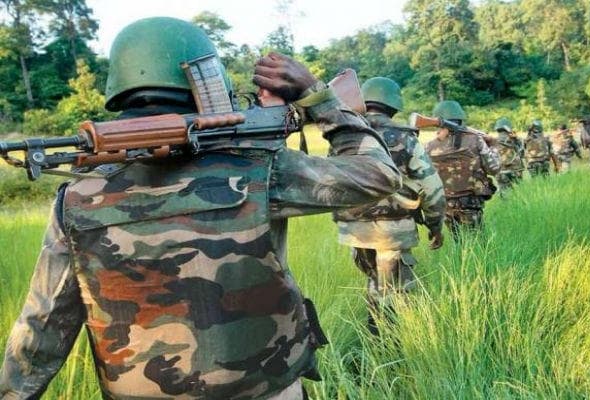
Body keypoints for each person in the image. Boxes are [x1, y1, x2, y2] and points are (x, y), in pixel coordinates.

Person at [0, 17, 401, 400]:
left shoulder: (77, 197)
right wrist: (320, 98)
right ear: (205, 84)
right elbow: (379, 175)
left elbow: (41, 328)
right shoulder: (261, 168)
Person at [333, 77, 446, 335]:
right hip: (392, 230)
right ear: (394, 105)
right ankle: (390, 347)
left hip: (355, 230)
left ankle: (378, 341)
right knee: (394, 293)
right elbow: (432, 188)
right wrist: (435, 226)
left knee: (376, 283)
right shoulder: (405, 138)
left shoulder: (346, 136)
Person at [425, 100, 500, 240]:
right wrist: (494, 146)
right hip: (471, 202)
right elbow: (494, 169)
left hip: (446, 203)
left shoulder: (429, 147)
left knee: (457, 241)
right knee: (478, 242)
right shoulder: (476, 140)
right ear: (460, 118)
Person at [493, 117, 525, 191]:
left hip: (501, 171)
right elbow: (522, 153)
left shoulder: (493, 141)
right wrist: (517, 139)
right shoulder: (515, 140)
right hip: (515, 169)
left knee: (504, 192)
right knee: (520, 192)